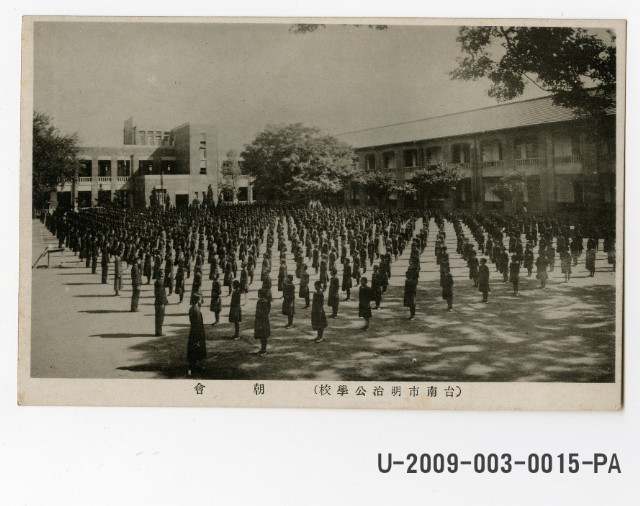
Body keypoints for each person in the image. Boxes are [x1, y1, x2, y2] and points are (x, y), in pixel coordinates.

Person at [187, 293, 206, 377]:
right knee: (198, 350)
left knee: (193, 350)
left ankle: (193, 367)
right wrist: (199, 337)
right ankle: (198, 368)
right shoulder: (196, 310)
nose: (201, 301)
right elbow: (198, 324)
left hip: (193, 332)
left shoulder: (192, 308)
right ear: (198, 300)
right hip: (197, 333)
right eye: (201, 299)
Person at [254, 288, 271, 356]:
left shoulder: (265, 302)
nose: (258, 295)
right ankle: (262, 349)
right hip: (259, 320)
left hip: (263, 321)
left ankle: (264, 350)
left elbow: (266, 312)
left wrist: (261, 316)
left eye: (259, 293)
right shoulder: (259, 301)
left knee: (264, 335)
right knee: (261, 335)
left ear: (262, 294)